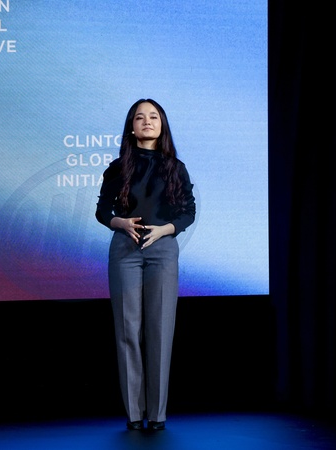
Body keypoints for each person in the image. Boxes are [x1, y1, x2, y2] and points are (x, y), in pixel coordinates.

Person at [95, 99, 196, 431]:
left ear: (162, 124)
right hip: (125, 249)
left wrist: (166, 229)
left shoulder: (175, 167)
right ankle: (134, 414)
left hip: (162, 250)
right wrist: (120, 223)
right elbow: (102, 210)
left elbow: (188, 211)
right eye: (140, 117)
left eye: (153, 116)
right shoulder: (117, 168)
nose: (147, 121)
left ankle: (157, 415)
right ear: (132, 126)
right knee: (128, 330)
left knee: (160, 330)